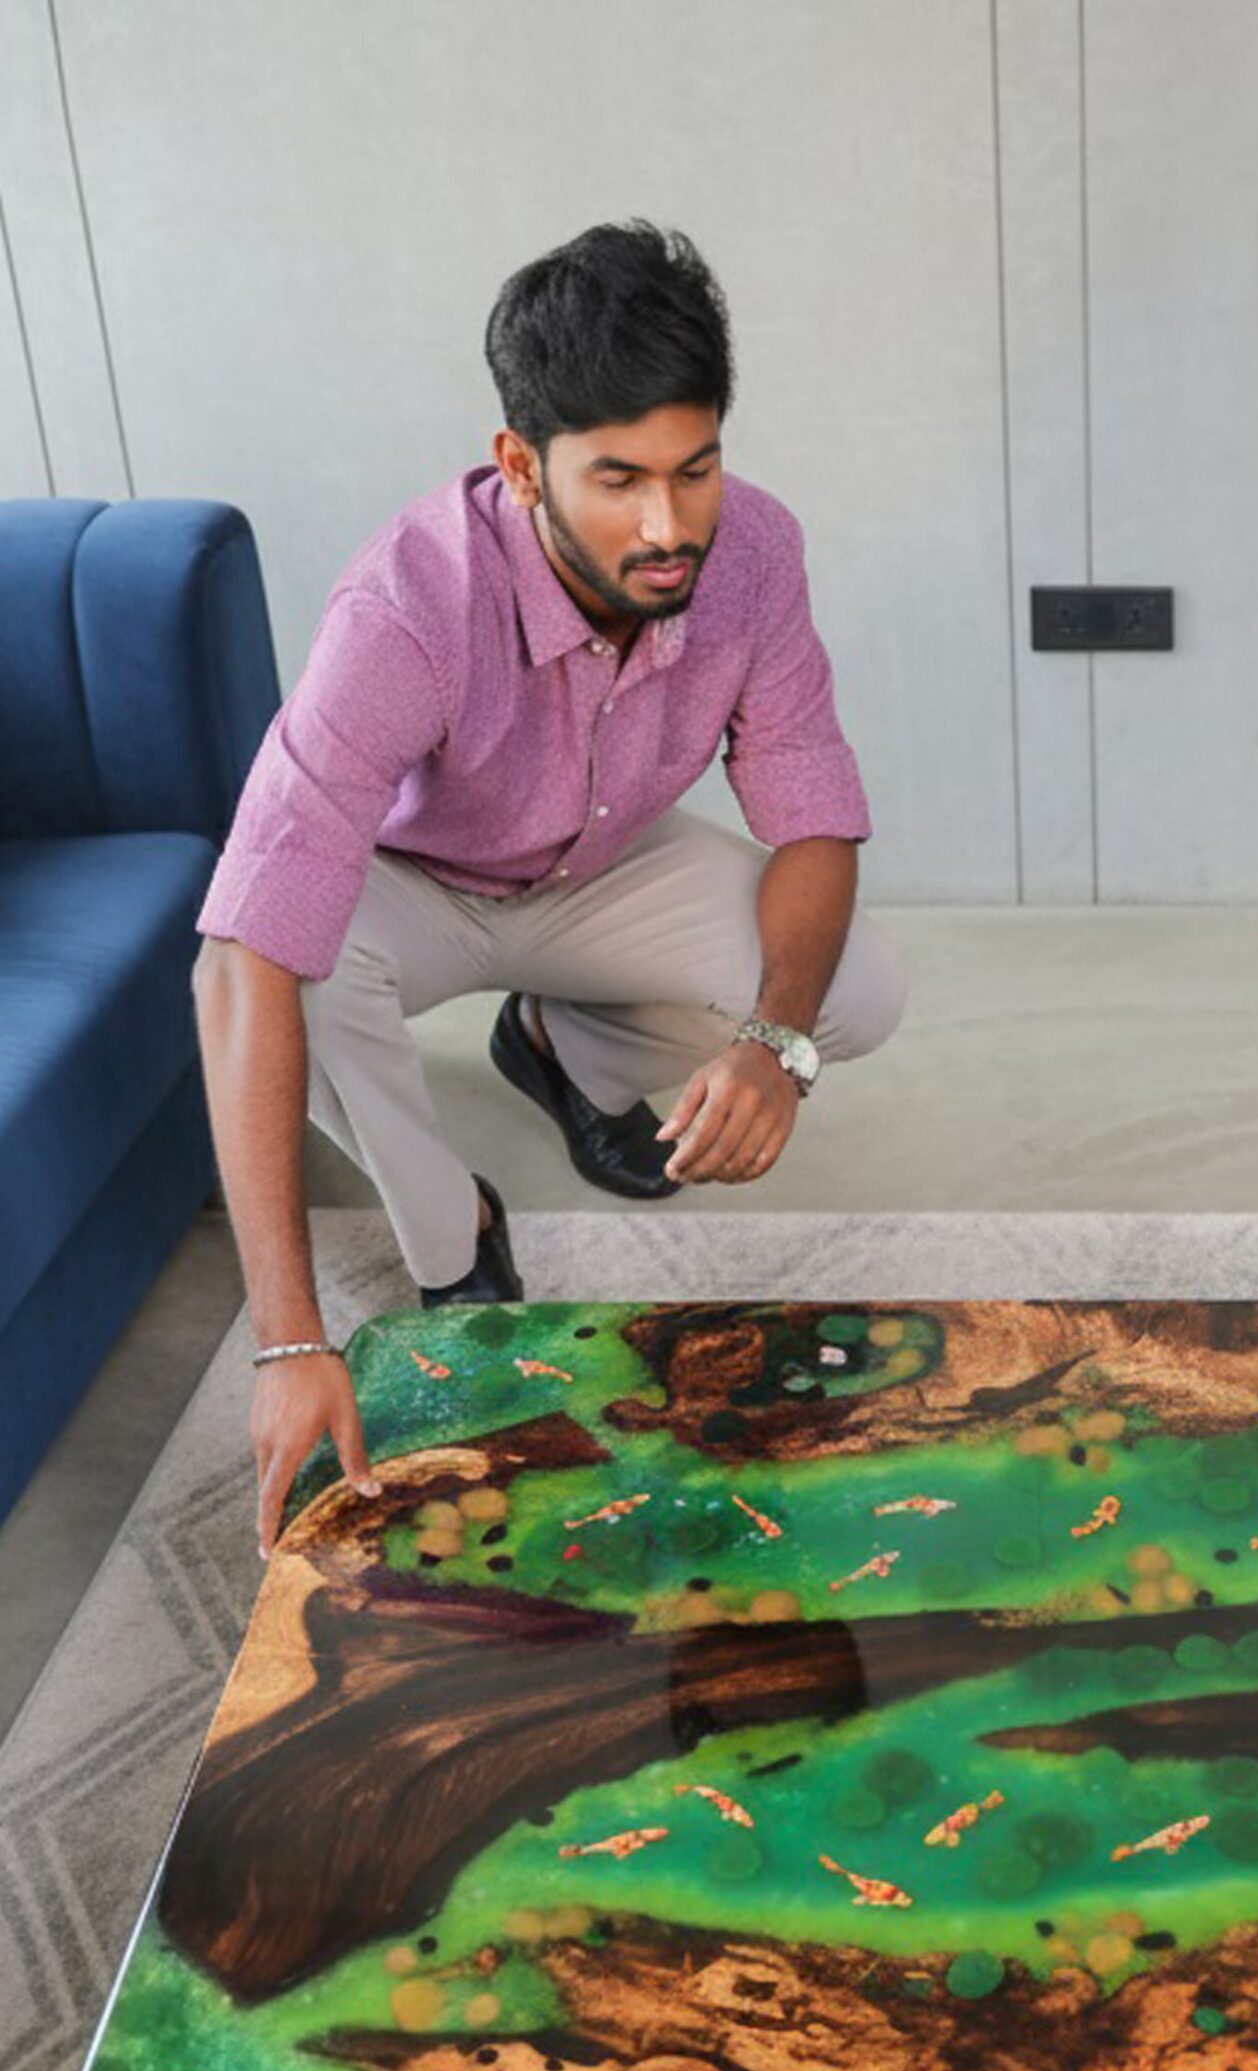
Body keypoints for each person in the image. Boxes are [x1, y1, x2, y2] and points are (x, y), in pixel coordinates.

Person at [192, 219, 907, 1554]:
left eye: (695, 470)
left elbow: (814, 819)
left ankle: (564, 1050)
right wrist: (288, 1338)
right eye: (619, 480)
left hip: (602, 864)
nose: (667, 526)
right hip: (411, 888)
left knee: (855, 991)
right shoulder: (405, 606)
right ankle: (454, 1234)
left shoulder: (754, 552)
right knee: (299, 970)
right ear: (522, 464)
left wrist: (771, 1045)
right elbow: (242, 956)